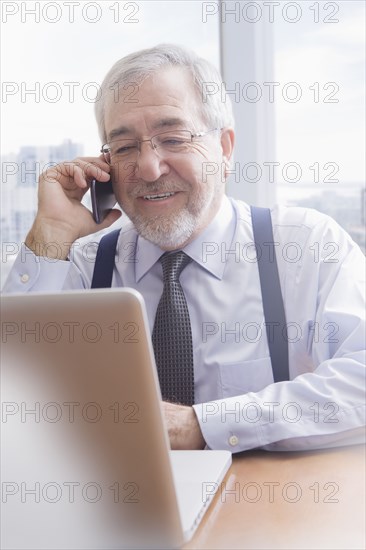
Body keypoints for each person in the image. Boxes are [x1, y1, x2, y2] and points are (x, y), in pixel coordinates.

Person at [3, 44, 365, 452]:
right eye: (124, 148)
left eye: (173, 139)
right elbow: (12, 400)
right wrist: (49, 236)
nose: (149, 168)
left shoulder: (305, 247)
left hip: (271, 508)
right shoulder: (84, 266)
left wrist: (201, 425)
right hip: (123, 508)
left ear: (224, 150)